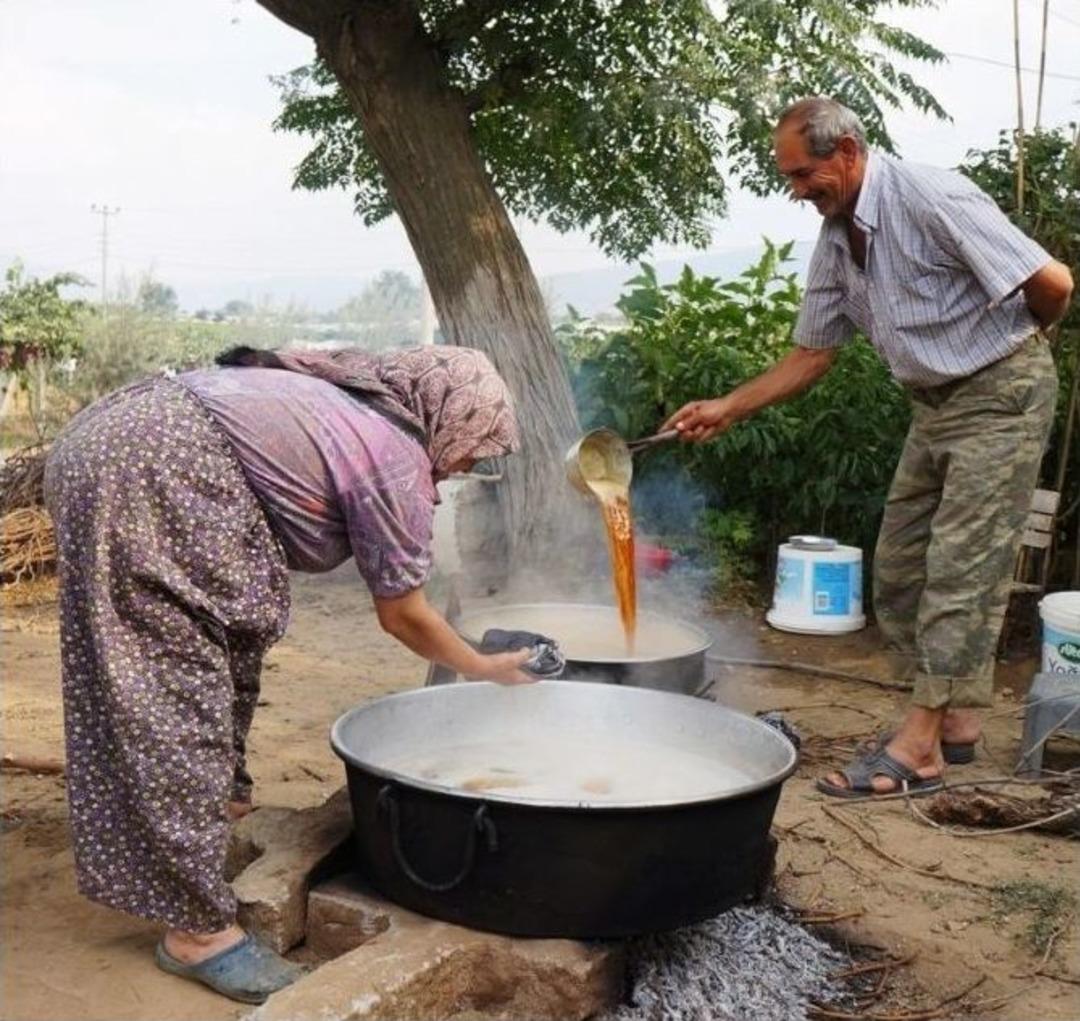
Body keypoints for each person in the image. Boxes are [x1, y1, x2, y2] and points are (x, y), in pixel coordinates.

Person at [43, 344, 534, 1004]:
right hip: (155, 469)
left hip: (121, 440)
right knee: (172, 685)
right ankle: (197, 934)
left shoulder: (343, 408)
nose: (469, 463)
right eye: (476, 446)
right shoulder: (390, 458)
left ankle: (218, 802)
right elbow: (404, 615)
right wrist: (480, 665)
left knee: (221, 639)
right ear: (450, 416)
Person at [664, 97, 1074, 799]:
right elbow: (810, 356)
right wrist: (725, 408)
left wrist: (1018, 348)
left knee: (959, 568)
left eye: (803, 173)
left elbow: (1054, 282)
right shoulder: (836, 235)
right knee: (900, 567)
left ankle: (918, 746)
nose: (796, 191)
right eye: (789, 178)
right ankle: (955, 719)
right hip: (934, 403)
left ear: (847, 151)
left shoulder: (927, 195)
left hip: (1001, 392)